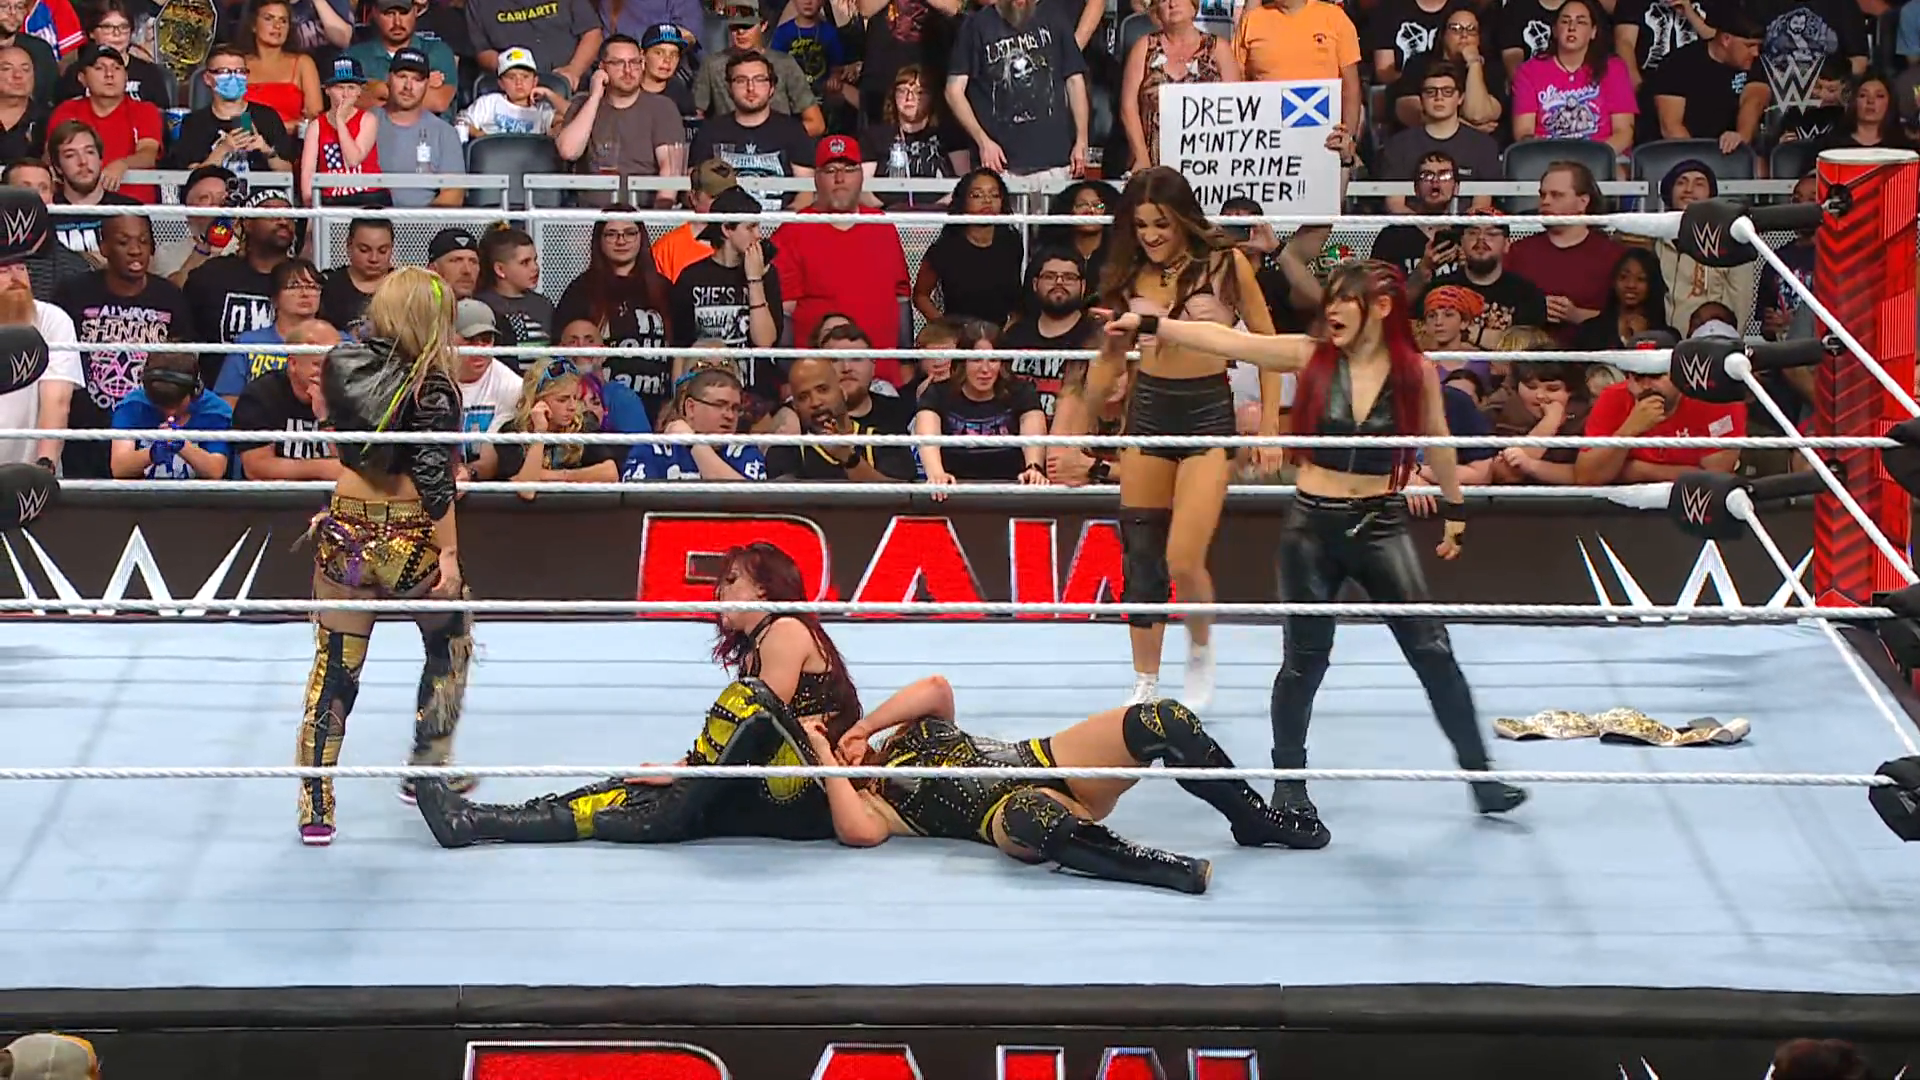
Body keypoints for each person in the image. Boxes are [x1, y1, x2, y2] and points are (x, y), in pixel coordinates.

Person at [1101, 260, 1527, 846]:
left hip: (1380, 523)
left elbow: (1437, 440)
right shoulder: (1312, 356)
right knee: (1304, 663)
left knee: (1433, 650)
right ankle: (1290, 785)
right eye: (1330, 299)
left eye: (1345, 299)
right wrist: (1153, 326)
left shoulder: (1415, 372)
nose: (1331, 309)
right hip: (1312, 528)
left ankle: (1482, 778)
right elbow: (1228, 340)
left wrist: (1455, 509)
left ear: (1380, 307)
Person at [412, 542, 857, 847]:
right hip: (777, 790)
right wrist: (679, 773)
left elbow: (758, 724)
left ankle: (667, 814)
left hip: (813, 793)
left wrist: (684, 770)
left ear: (763, 589)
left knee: (749, 701)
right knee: (620, 794)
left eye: (733, 580)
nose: (720, 592)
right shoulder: (760, 646)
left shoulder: (785, 629)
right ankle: (477, 821)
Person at [1081, 165, 1280, 711]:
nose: (1150, 236)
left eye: (1161, 224)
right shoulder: (1127, 274)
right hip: (1148, 412)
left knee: (1184, 558)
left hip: (1207, 412)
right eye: (1141, 225)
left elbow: (1269, 346)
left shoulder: (1226, 264)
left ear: (1184, 219)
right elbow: (1103, 377)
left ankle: (1199, 645)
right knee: (1141, 556)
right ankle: (1145, 680)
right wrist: (1104, 367)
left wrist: (1269, 428)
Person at [807, 686, 1327, 892]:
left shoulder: (903, 732)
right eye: (827, 752)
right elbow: (857, 833)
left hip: (1049, 757)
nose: (841, 750)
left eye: (835, 738)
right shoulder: (873, 805)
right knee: (1030, 818)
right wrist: (830, 763)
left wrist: (865, 728)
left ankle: (1253, 819)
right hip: (1007, 810)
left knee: (1162, 719)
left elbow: (937, 689)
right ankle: (1165, 869)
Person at [296, 267, 471, 848]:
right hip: (409, 532)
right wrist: (450, 553)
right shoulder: (432, 385)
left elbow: (336, 433)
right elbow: (432, 478)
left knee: (335, 666)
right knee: (450, 638)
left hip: (347, 524)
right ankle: (428, 767)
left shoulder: (340, 363)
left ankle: (316, 804)